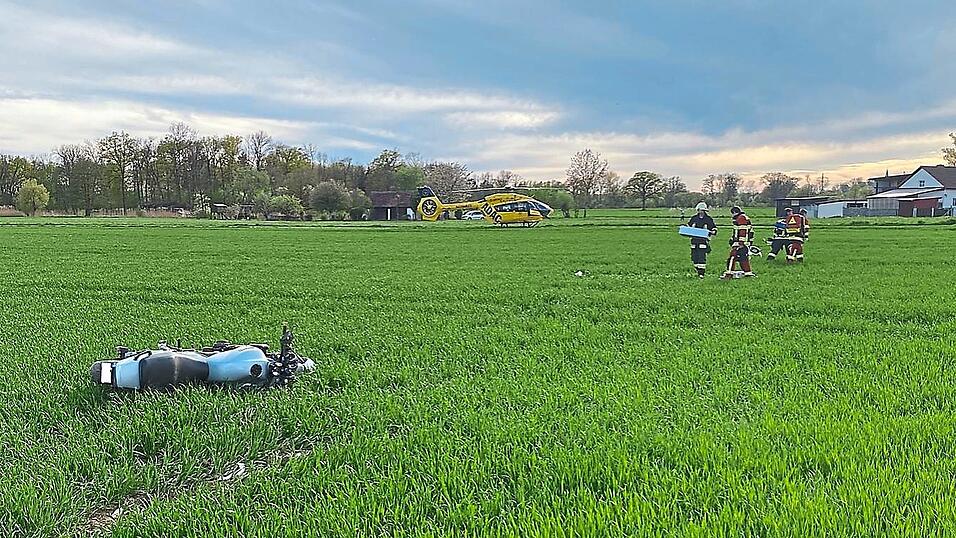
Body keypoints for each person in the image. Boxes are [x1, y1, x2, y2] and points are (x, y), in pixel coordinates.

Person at [722, 206, 755, 278]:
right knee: (743, 258)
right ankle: (748, 273)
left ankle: (729, 273)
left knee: (732, 257)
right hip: (745, 242)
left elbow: (742, 230)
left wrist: (741, 242)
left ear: (734, 212)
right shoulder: (743, 217)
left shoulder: (741, 218)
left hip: (740, 243)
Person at [687, 201, 717, 278]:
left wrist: (713, 231)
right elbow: (689, 227)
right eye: (701, 210)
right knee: (694, 258)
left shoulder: (708, 219)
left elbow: (713, 228)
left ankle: (701, 274)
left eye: (703, 210)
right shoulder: (694, 218)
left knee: (701, 257)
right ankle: (698, 270)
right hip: (694, 241)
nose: (702, 212)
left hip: (703, 241)